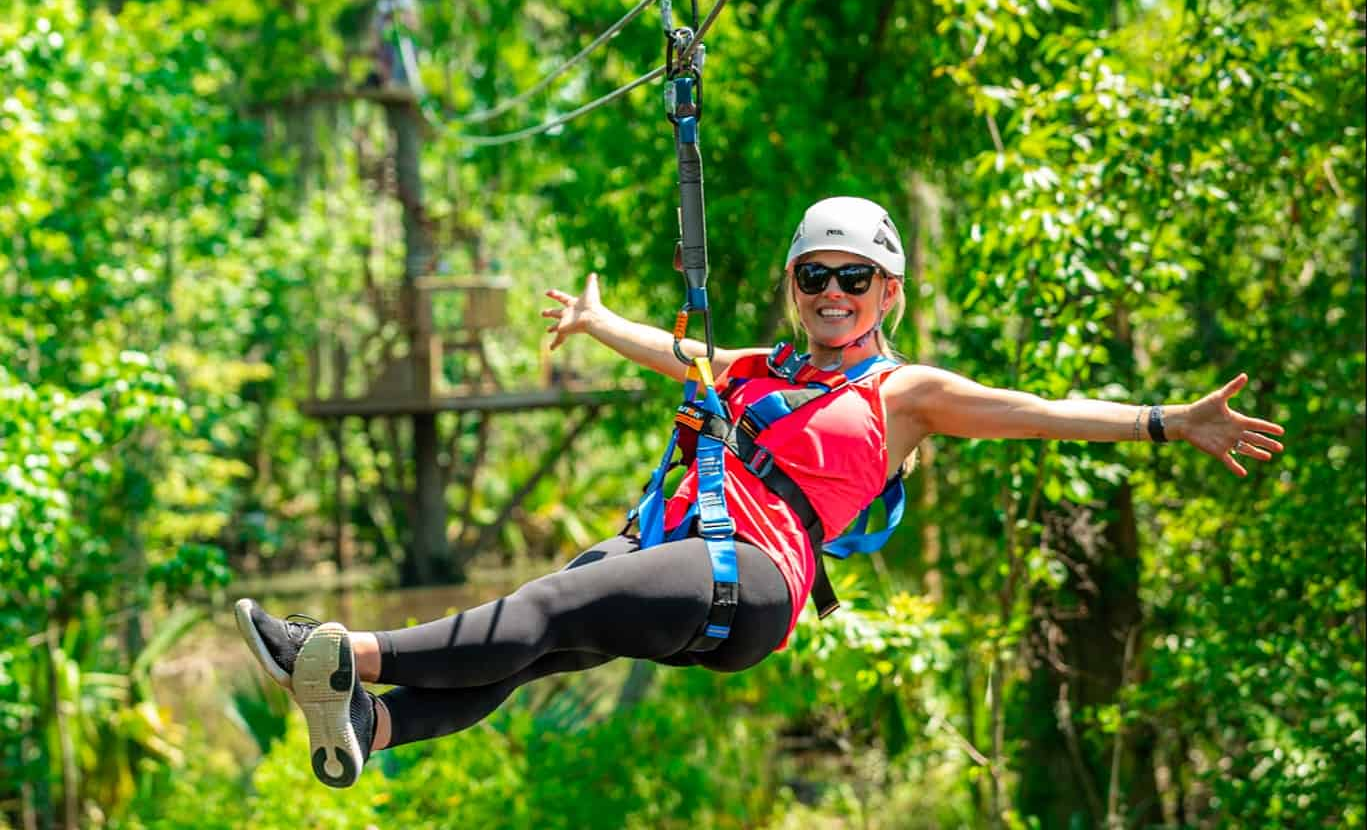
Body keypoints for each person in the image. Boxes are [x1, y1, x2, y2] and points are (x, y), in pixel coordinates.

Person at [234, 196, 1285, 788]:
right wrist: (600, 326)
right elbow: (677, 350)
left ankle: (337, 654)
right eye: (814, 277)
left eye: (853, 280)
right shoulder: (756, 369)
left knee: (549, 605)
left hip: (754, 572)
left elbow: (1040, 407)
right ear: (794, 288)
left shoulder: (901, 392)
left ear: (888, 294)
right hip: (687, 560)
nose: (832, 295)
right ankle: (375, 727)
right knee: (547, 634)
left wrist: (1164, 422)